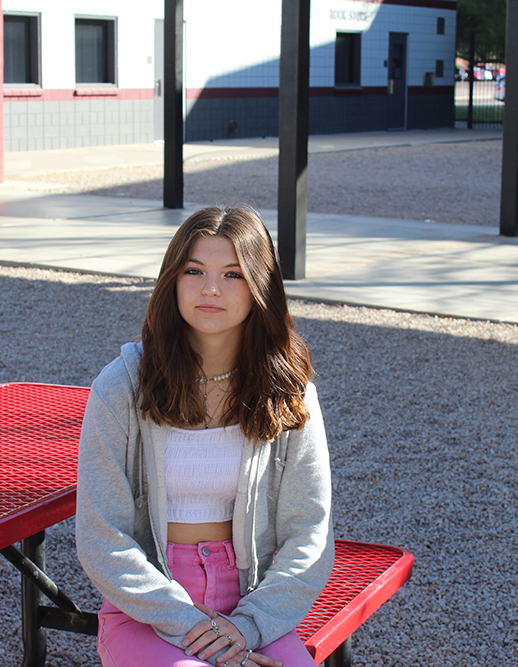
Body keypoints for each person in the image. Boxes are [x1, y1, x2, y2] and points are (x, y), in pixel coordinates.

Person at [76, 205, 334, 667]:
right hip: (147, 607)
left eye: (233, 274)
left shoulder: (289, 391)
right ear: (172, 279)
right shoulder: (122, 387)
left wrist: (246, 627)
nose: (211, 288)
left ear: (260, 287)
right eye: (194, 270)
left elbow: (308, 533)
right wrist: (191, 625)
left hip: (252, 599)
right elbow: (102, 536)